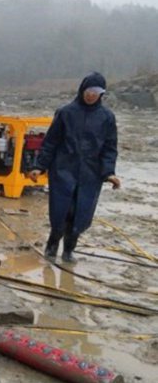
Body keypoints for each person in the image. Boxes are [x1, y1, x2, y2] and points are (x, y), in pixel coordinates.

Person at [29, 72, 121, 262]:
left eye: (96, 91)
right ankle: (52, 245)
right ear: (82, 90)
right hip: (63, 170)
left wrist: (109, 172)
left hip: (91, 174)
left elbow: (109, 148)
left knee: (81, 214)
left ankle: (69, 250)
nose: (91, 95)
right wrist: (40, 166)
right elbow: (50, 142)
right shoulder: (66, 112)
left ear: (102, 94)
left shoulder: (107, 117)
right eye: (89, 90)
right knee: (61, 211)